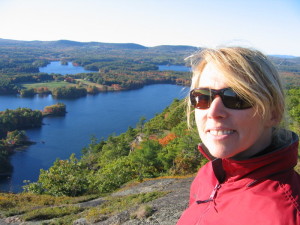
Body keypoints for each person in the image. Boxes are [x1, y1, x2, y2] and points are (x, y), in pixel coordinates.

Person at [176, 47, 300, 225]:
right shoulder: (209, 173)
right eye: (202, 97)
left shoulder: (286, 215)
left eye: (237, 98)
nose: (213, 112)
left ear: (273, 113)